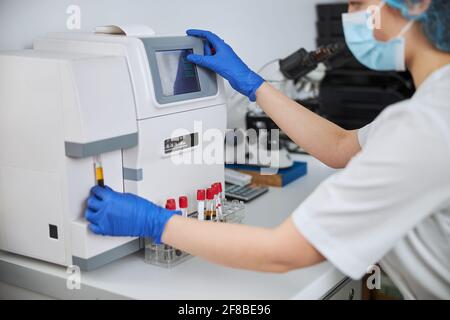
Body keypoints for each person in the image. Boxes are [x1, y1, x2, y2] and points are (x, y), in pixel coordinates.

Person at [85, 0, 450, 299]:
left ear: (418, 5)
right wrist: (254, 84)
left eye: (358, 3)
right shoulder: (430, 106)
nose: (350, 16)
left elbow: (284, 252)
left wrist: (155, 222)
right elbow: (340, 147)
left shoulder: (426, 125)